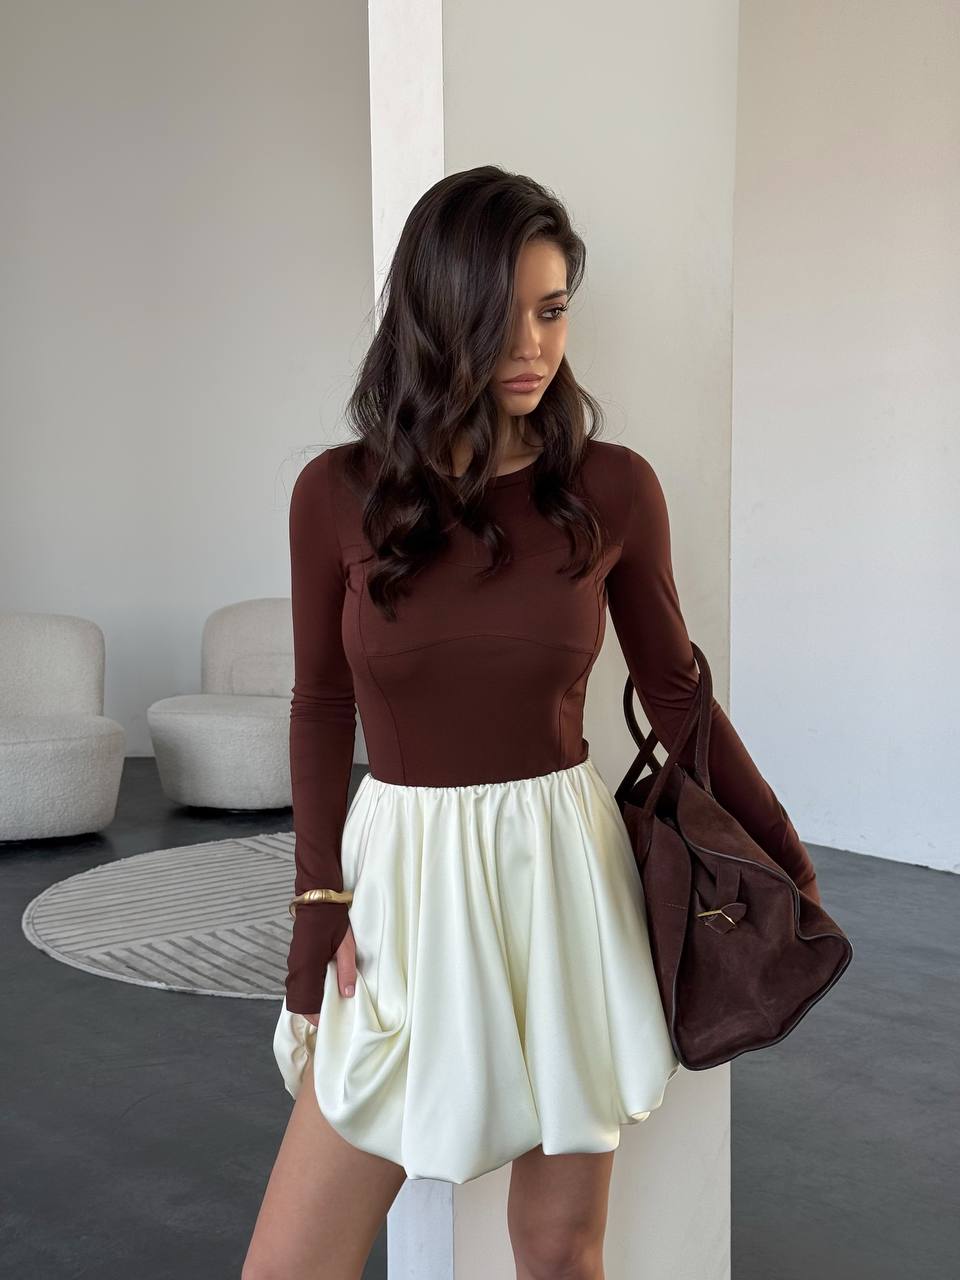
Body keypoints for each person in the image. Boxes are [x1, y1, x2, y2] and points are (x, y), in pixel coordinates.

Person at [243, 165, 821, 1280]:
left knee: (560, 1251)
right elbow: (319, 702)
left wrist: (782, 854)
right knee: (291, 1263)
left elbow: (679, 694)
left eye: (552, 310)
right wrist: (318, 896)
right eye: (501, 315)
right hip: (404, 883)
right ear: (436, 315)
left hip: (561, 878)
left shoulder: (612, 488)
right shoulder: (335, 493)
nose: (533, 345)